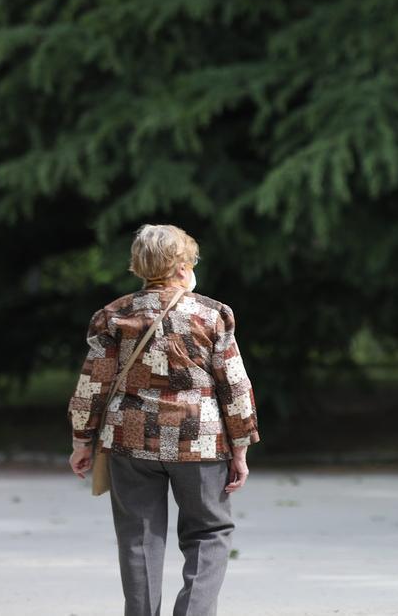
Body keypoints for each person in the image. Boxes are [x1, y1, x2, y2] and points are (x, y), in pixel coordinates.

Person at [67, 224, 260, 616]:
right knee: (209, 532)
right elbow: (235, 385)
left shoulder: (114, 316)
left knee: (138, 538)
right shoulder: (213, 314)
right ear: (182, 267)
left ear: (140, 266)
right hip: (200, 442)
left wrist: (81, 441)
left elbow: (93, 384)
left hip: (129, 441)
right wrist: (240, 448)